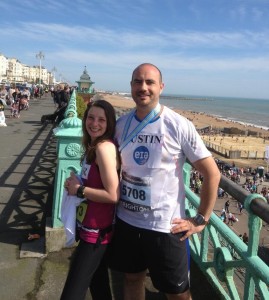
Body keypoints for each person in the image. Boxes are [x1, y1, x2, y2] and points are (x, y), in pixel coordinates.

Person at [109, 63, 221, 300]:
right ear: (131, 86)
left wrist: (201, 218)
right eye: (138, 82)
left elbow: (212, 173)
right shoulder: (121, 125)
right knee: (131, 279)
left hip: (166, 227)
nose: (143, 87)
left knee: (178, 293)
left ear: (161, 87)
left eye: (150, 82)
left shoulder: (178, 124)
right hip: (127, 221)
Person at [60, 100, 120, 300]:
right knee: (100, 287)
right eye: (91, 118)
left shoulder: (103, 148)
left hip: (96, 234)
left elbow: (113, 195)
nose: (94, 123)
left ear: (109, 123)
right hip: (91, 229)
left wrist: (80, 189)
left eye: (101, 120)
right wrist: (77, 183)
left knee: (72, 293)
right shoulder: (94, 146)